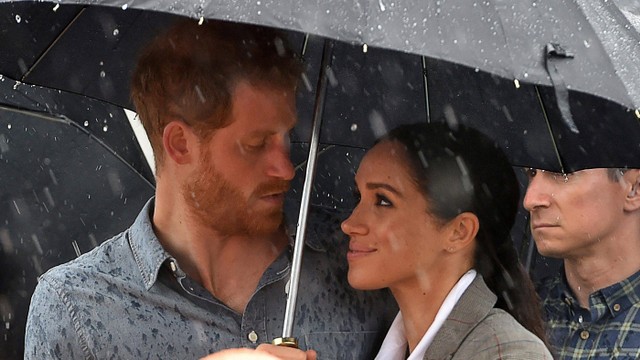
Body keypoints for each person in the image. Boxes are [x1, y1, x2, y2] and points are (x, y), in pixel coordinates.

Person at [24, 19, 396, 359]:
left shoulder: (362, 260)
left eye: (287, 137)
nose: (285, 167)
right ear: (181, 144)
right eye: (256, 144)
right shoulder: (75, 310)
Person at [340, 122, 553, 359]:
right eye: (357, 197)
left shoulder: (507, 354)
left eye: (383, 201)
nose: (349, 224)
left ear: (459, 231)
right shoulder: (382, 343)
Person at [524, 166, 640, 359]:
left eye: (561, 173)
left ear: (634, 188)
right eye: (531, 174)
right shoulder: (518, 312)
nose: (530, 200)